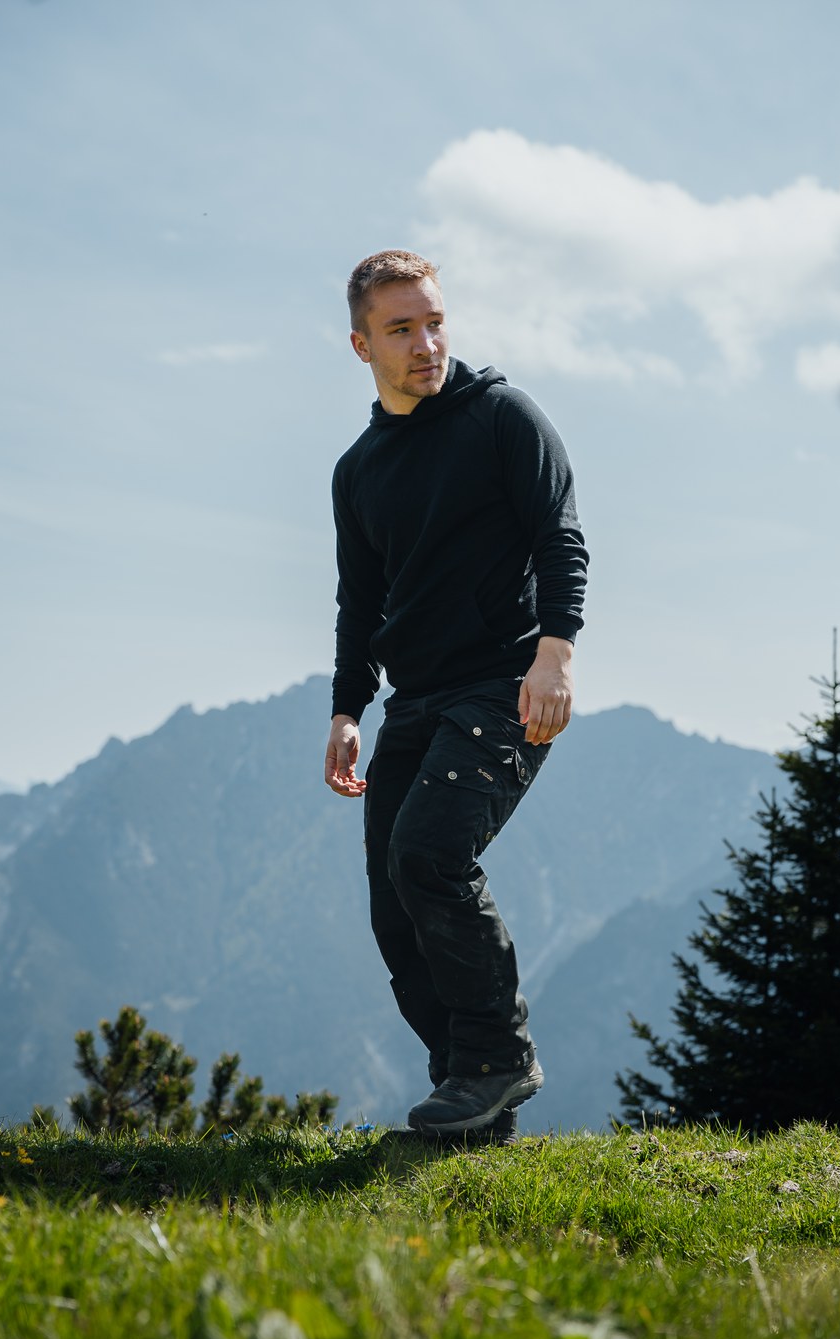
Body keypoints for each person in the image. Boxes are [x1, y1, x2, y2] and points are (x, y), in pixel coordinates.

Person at [324, 249, 588, 1140]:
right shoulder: (358, 470)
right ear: (362, 345)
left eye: (435, 323)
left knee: (430, 857)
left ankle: (495, 1058)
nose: (426, 344)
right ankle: (466, 1096)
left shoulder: (502, 417)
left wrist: (555, 655)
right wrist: (348, 709)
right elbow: (361, 601)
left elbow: (560, 536)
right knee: (393, 902)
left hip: (505, 686)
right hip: (414, 701)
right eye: (401, 329)